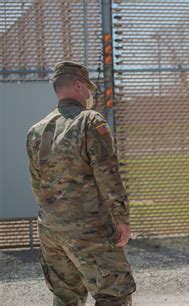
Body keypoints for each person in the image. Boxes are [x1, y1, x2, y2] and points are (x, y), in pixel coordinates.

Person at [26, 61, 136, 306]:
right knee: (114, 293)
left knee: (66, 297)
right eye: (88, 88)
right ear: (77, 85)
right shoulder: (89, 121)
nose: (89, 95)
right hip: (89, 229)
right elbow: (108, 175)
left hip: (51, 230)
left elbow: (37, 185)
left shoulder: (37, 130)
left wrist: (54, 216)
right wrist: (122, 218)